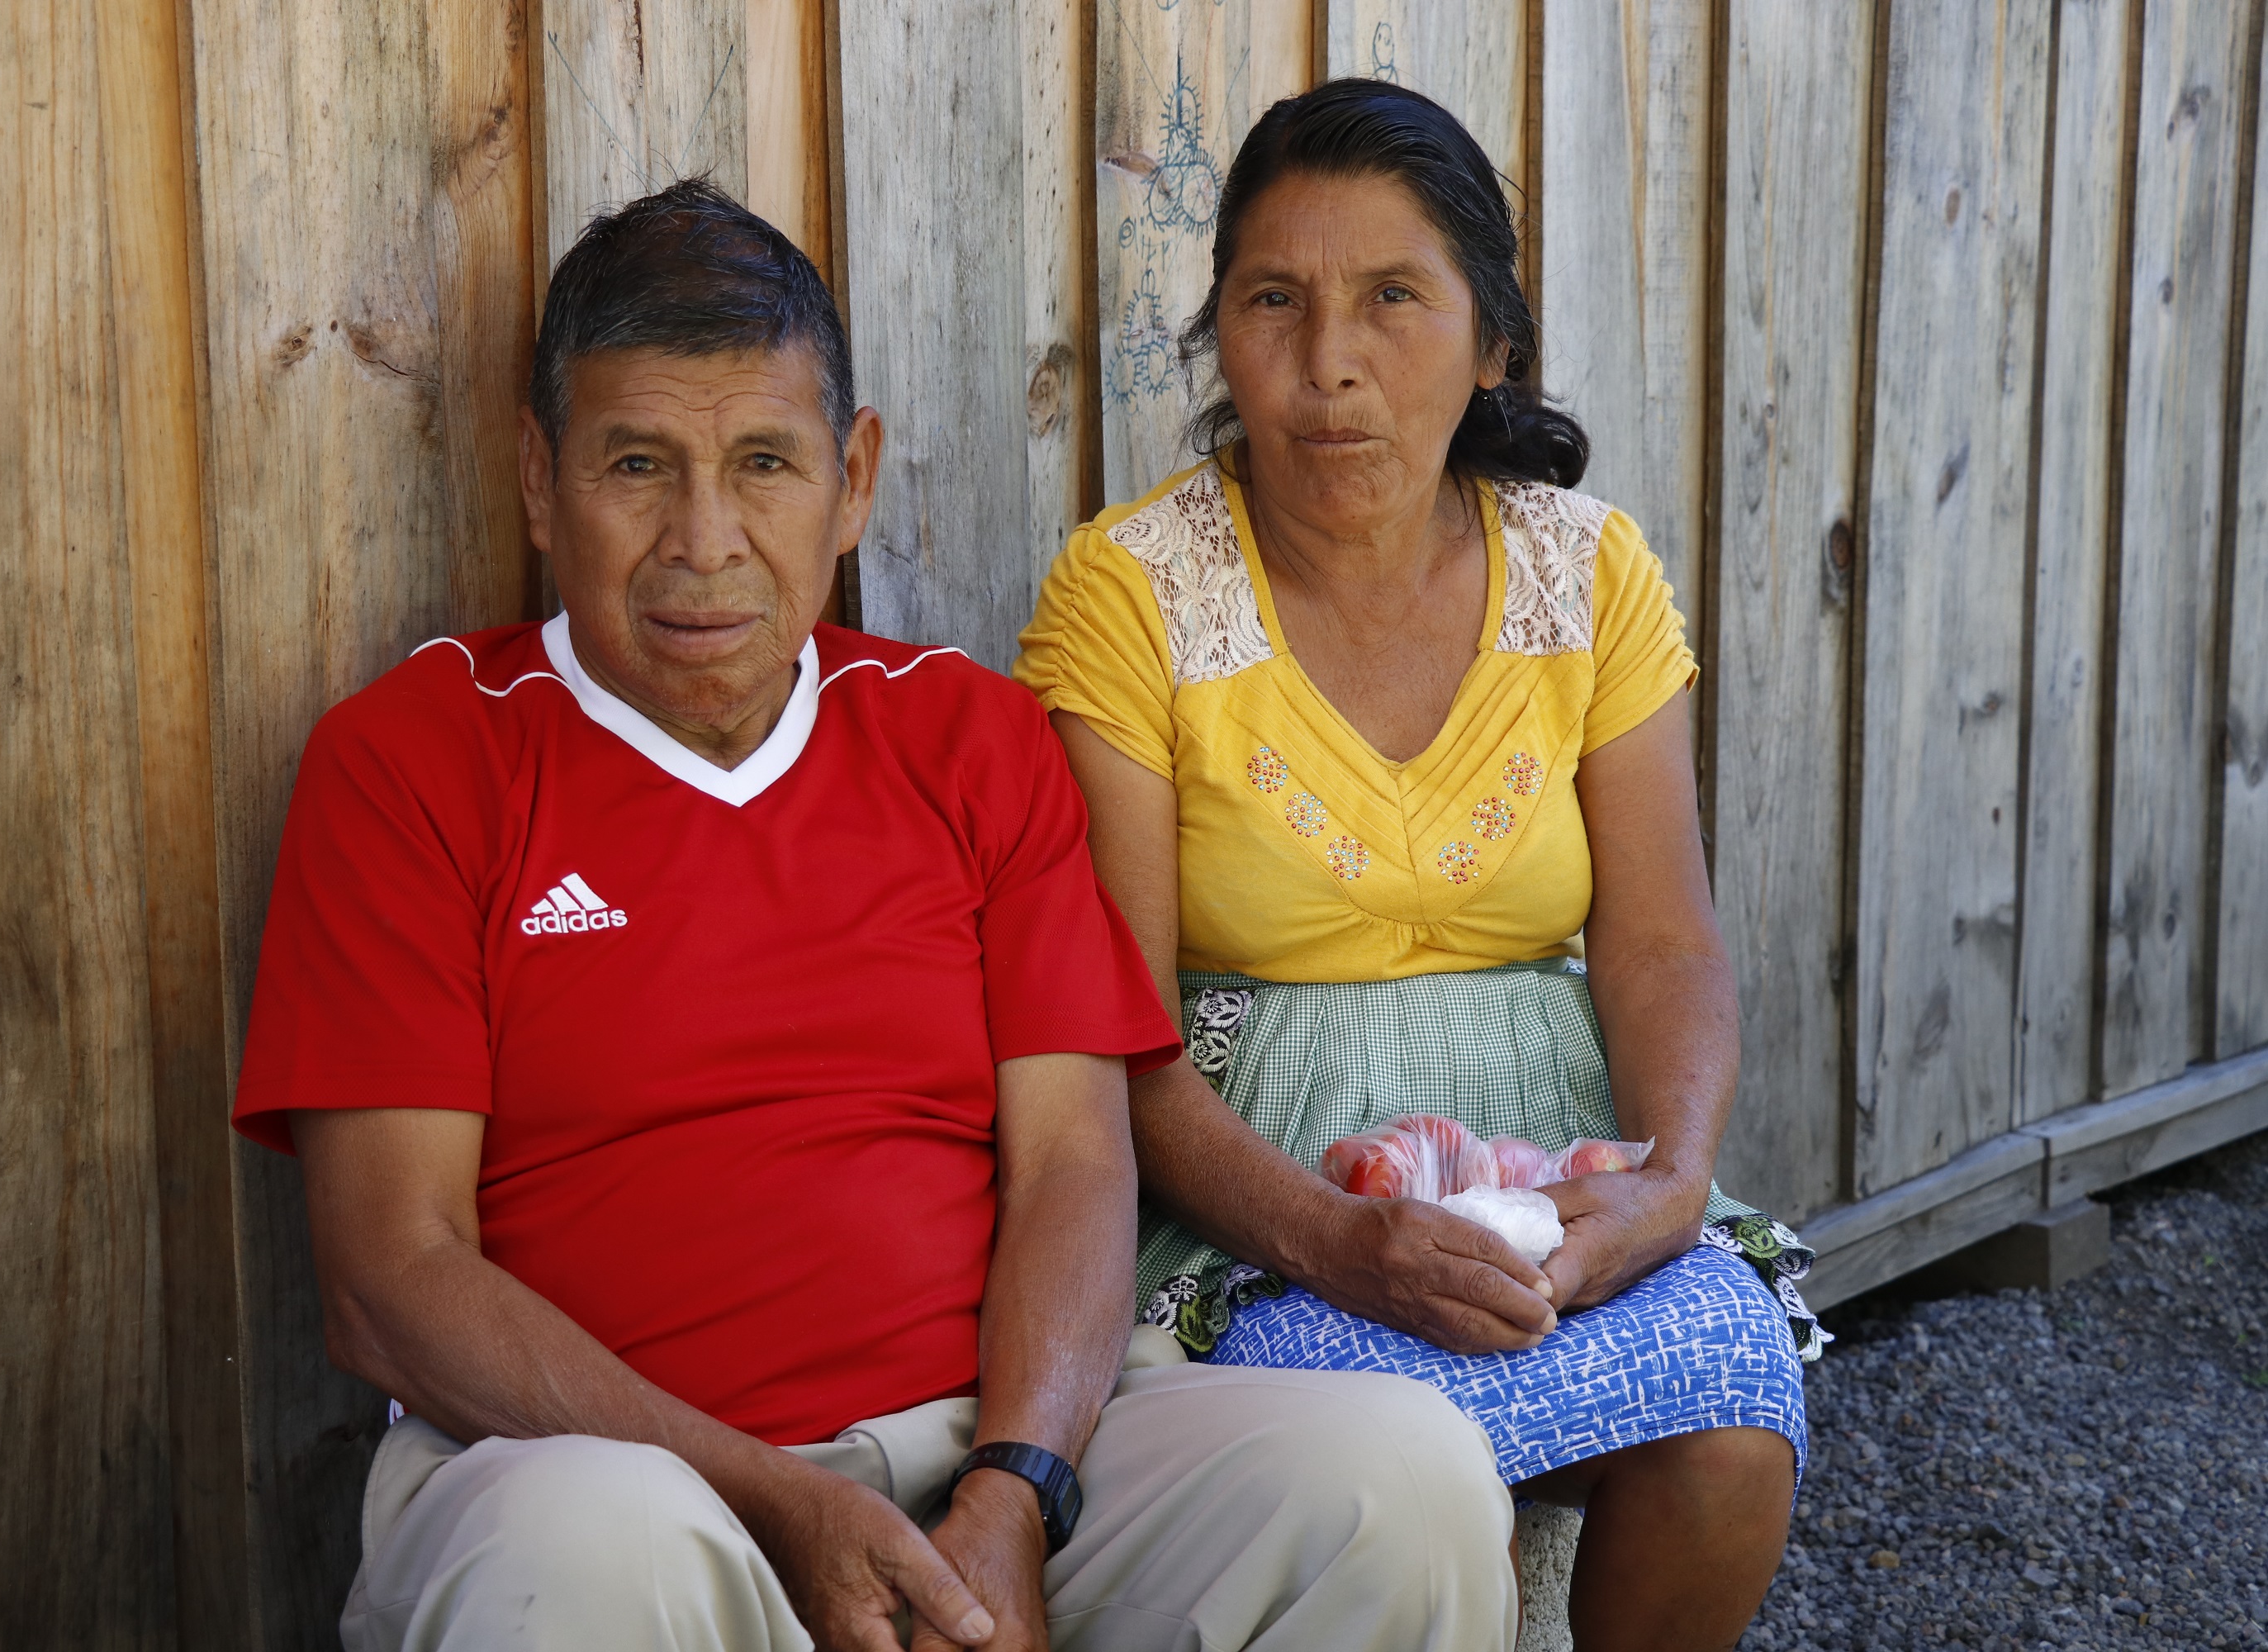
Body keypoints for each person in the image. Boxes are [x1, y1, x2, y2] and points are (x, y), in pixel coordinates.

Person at [231, 178, 1516, 1652]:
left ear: (853, 478)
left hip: (989, 1442)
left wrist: (1018, 1491)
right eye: (637, 464)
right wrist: (780, 1499)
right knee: (578, 1556)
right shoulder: (416, 761)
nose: (702, 540)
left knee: (1397, 1483)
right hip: (606, 1474)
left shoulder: (963, 740)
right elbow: (391, 1278)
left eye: (764, 465)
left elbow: (1074, 1167)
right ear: (540, 479)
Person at [1014, 80, 1815, 1652]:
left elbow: (1665, 946)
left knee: (1729, 1414)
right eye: (1273, 301)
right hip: (1257, 1199)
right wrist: (1332, 1239)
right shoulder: (1132, 594)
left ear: (1492, 342)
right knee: (1403, 1473)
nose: (1330, 366)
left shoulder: (1588, 572)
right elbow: (1114, 1033)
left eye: (1395, 298)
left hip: (1556, 1180)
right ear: (1221, 336)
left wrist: (1662, 1188)